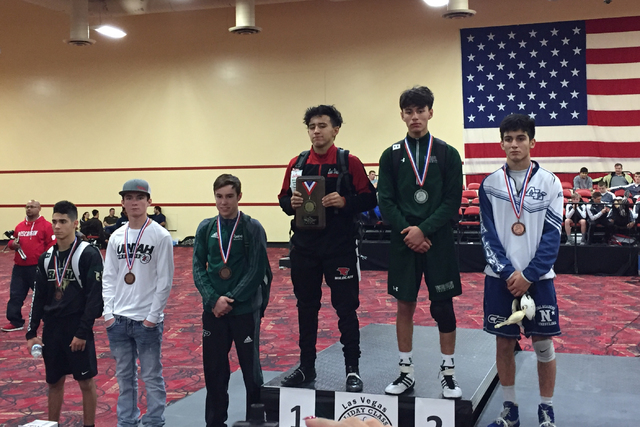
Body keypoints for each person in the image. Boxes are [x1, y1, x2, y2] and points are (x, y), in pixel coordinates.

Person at [277, 105, 377, 392]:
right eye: (312, 126)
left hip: (340, 248)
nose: (316, 131)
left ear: (335, 129)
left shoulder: (350, 162)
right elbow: (284, 200)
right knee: (306, 308)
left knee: (346, 310)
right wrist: (290, 204)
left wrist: (345, 202)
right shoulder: (297, 164)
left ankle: (352, 370)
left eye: (322, 125)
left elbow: (370, 199)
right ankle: (306, 367)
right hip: (304, 249)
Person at [377, 86, 463, 398]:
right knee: (405, 305)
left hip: (437, 241)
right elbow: (385, 201)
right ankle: (405, 372)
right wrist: (410, 232)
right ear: (402, 115)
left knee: (443, 307)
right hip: (404, 242)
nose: (415, 117)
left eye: (421, 110)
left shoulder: (447, 153)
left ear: (430, 112)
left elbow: (452, 201)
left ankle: (448, 373)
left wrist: (423, 230)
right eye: (409, 111)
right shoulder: (390, 155)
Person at [479, 114, 563, 427]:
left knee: (543, 344)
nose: (515, 144)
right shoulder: (489, 185)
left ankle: (546, 409)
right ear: (501, 143)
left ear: (532, 142)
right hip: (500, 280)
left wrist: (529, 274)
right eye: (509, 139)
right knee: (504, 343)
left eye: (521, 138)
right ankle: (510, 409)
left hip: (538, 279)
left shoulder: (550, 183)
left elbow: (553, 236)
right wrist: (506, 273)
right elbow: (487, 236)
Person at [193, 174, 269, 427]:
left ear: (239, 197)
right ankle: (215, 421)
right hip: (213, 311)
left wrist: (232, 299)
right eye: (219, 196)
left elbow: (257, 269)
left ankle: (255, 420)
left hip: (244, 309)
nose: (223, 202)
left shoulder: (251, 227)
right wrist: (213, 299)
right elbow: (197, 268)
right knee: (214, 370)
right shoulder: (205, 228)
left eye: (229, 196)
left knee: (251, 369)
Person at [103, 179, 174, 427]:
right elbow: (109, 277)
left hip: (147, 320)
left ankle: (154, 421)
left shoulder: (160, 236)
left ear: (149, 202)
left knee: (152, 375)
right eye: (129, 197)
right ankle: (127, 422)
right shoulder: (115, 237)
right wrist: (108, 314)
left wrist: (152, 317)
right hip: (119, 320)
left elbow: (165, 281)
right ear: (122, 202)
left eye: (140, 197)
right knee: (124, 377)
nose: (134, 202)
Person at [26, 201, 103, 427]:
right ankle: (52, 424)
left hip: (77, 327)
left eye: (63, 221)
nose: (57, 226)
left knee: (86, 381)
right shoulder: (46, 257)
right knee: (53, 381)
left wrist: (83, 331)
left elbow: (95, 298)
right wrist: (31, 331)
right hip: (53, 329)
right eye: (54, 221)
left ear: (74, 223)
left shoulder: (88, 254)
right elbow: (38, 297)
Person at [2, 200, 55, 332]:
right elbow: (13, 241)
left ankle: (49, 318)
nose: (29, 209)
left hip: (37, 267)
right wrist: (11, 245)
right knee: (15, 295)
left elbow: (51, 245)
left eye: (32, 207)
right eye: (27, 207)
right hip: (19, 267)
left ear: (39, 209)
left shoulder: (46, 226)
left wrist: (46, 263)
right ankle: (15, 321)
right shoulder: (19, 226)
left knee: (43, 294)